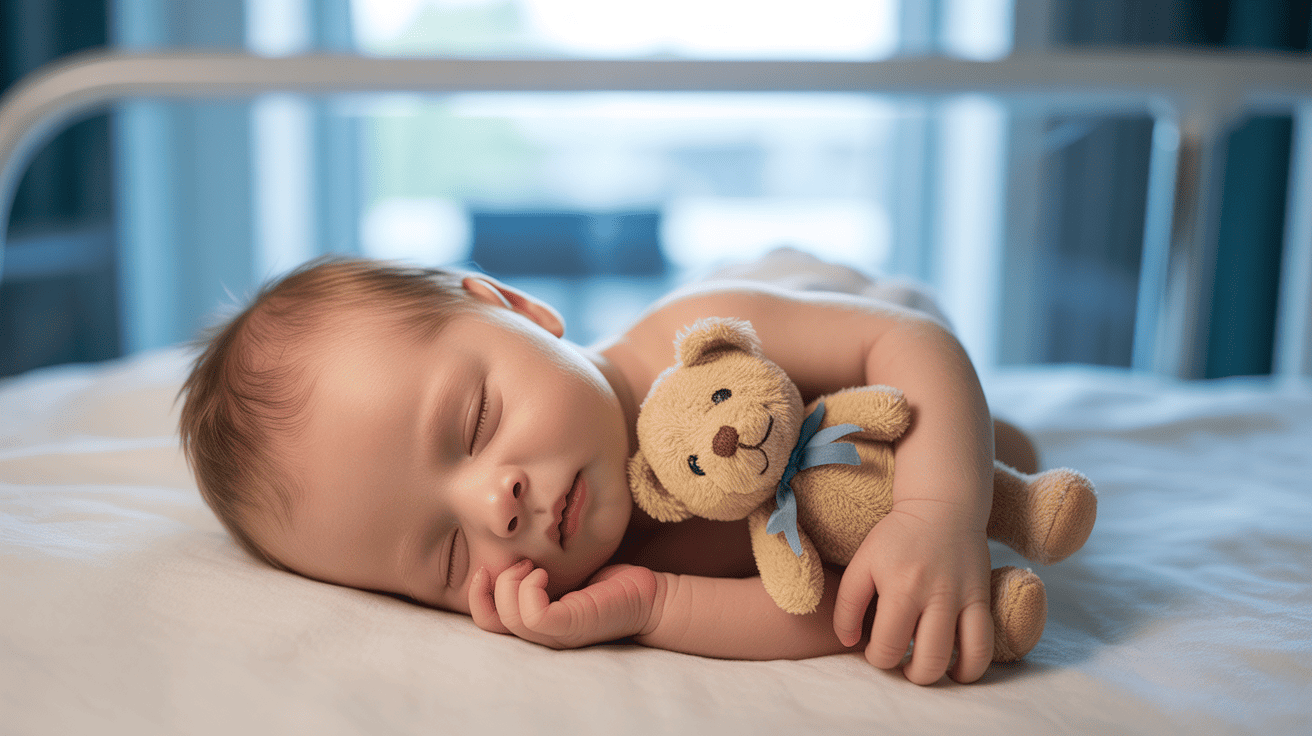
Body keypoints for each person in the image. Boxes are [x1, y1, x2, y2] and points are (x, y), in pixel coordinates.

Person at [180, 248, 1040, 686]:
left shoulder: (700, 331)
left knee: (998, 451)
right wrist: (650, 605)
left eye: (474, 421)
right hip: (812, 490)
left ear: (516, 309)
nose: (494, 504)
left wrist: (937, 512)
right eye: (447, 556)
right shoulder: (602, 575)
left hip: (825, 317)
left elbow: (904, 343)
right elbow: (823, 610)